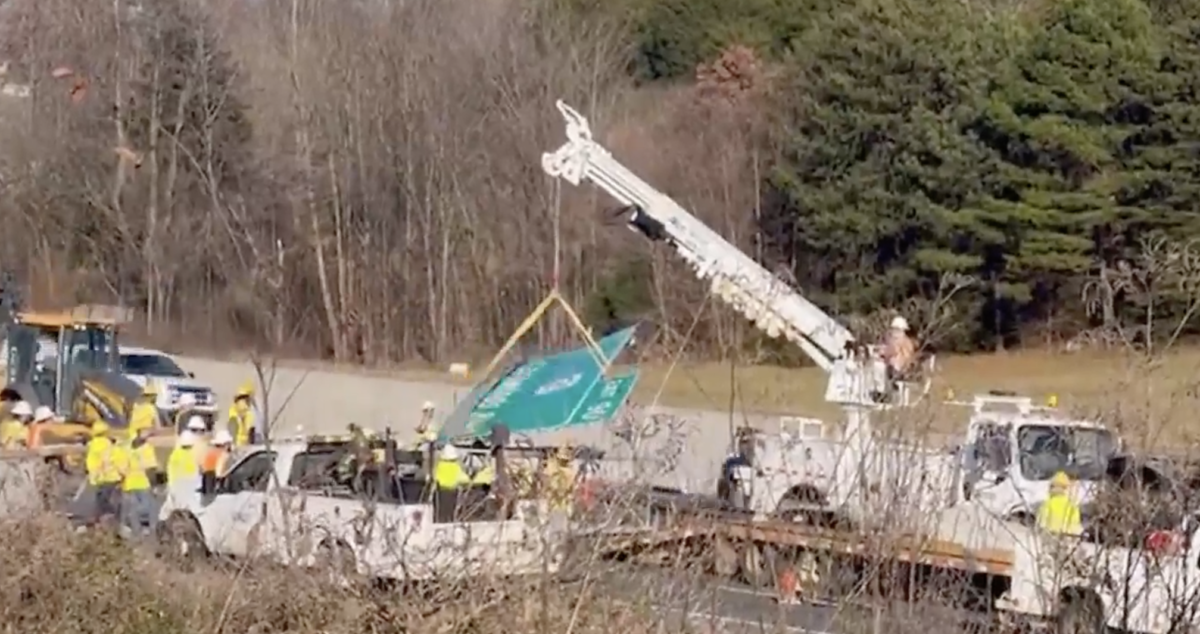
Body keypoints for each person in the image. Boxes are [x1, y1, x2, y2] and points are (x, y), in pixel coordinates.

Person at [114, 427, 160, 537]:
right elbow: (151, 468)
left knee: (131, 507)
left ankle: (129, 528)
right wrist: (155, 486)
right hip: (142, 483)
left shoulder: (125, 449)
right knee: (146, 507)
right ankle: (143, 529)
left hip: (129, 484)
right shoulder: (146, 448)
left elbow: (121, 467)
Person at [83, 421, 122, 524]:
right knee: (103, 498)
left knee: (102, 499)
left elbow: (94, 461)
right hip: (111, 475)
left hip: (102, 476)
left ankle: (104, 517)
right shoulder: (108, 443)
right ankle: (101, 517)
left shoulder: (94, 444)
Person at [1037, 471, 1082, 536]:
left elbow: (1042, 521)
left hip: (1050, 534)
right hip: (1066, 535)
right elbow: (1075, 524)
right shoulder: (1072, 504)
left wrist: (1041, 530)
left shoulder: (1048, 503)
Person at [542, 445, 577, 512]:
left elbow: (547, 487)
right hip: (562, 479)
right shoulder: (563, 504)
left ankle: (557, 454)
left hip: (558, 478)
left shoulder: (554, 503)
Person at [227, 380, 256, 446]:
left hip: (244, 446)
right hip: (239, 446)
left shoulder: (249, 415)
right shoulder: (235, 414)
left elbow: (251, 433)